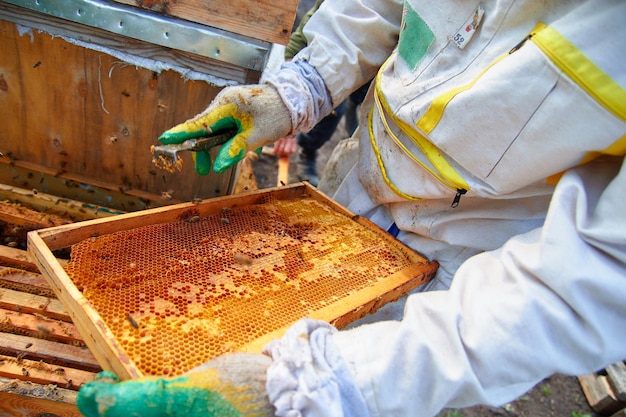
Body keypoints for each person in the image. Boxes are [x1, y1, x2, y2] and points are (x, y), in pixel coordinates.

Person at [77, 1, 626, 416]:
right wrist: (298, 89)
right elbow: (377, 8)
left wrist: (329, 385)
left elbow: (598, 280)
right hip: (345, 196)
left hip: (461, 270)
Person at [275, 0, 370, 186]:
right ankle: (307, 151)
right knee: (334, 108)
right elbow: (318, 13)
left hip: (384, 68)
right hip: (341, 54)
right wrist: (288, 99)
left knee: (363, 112)